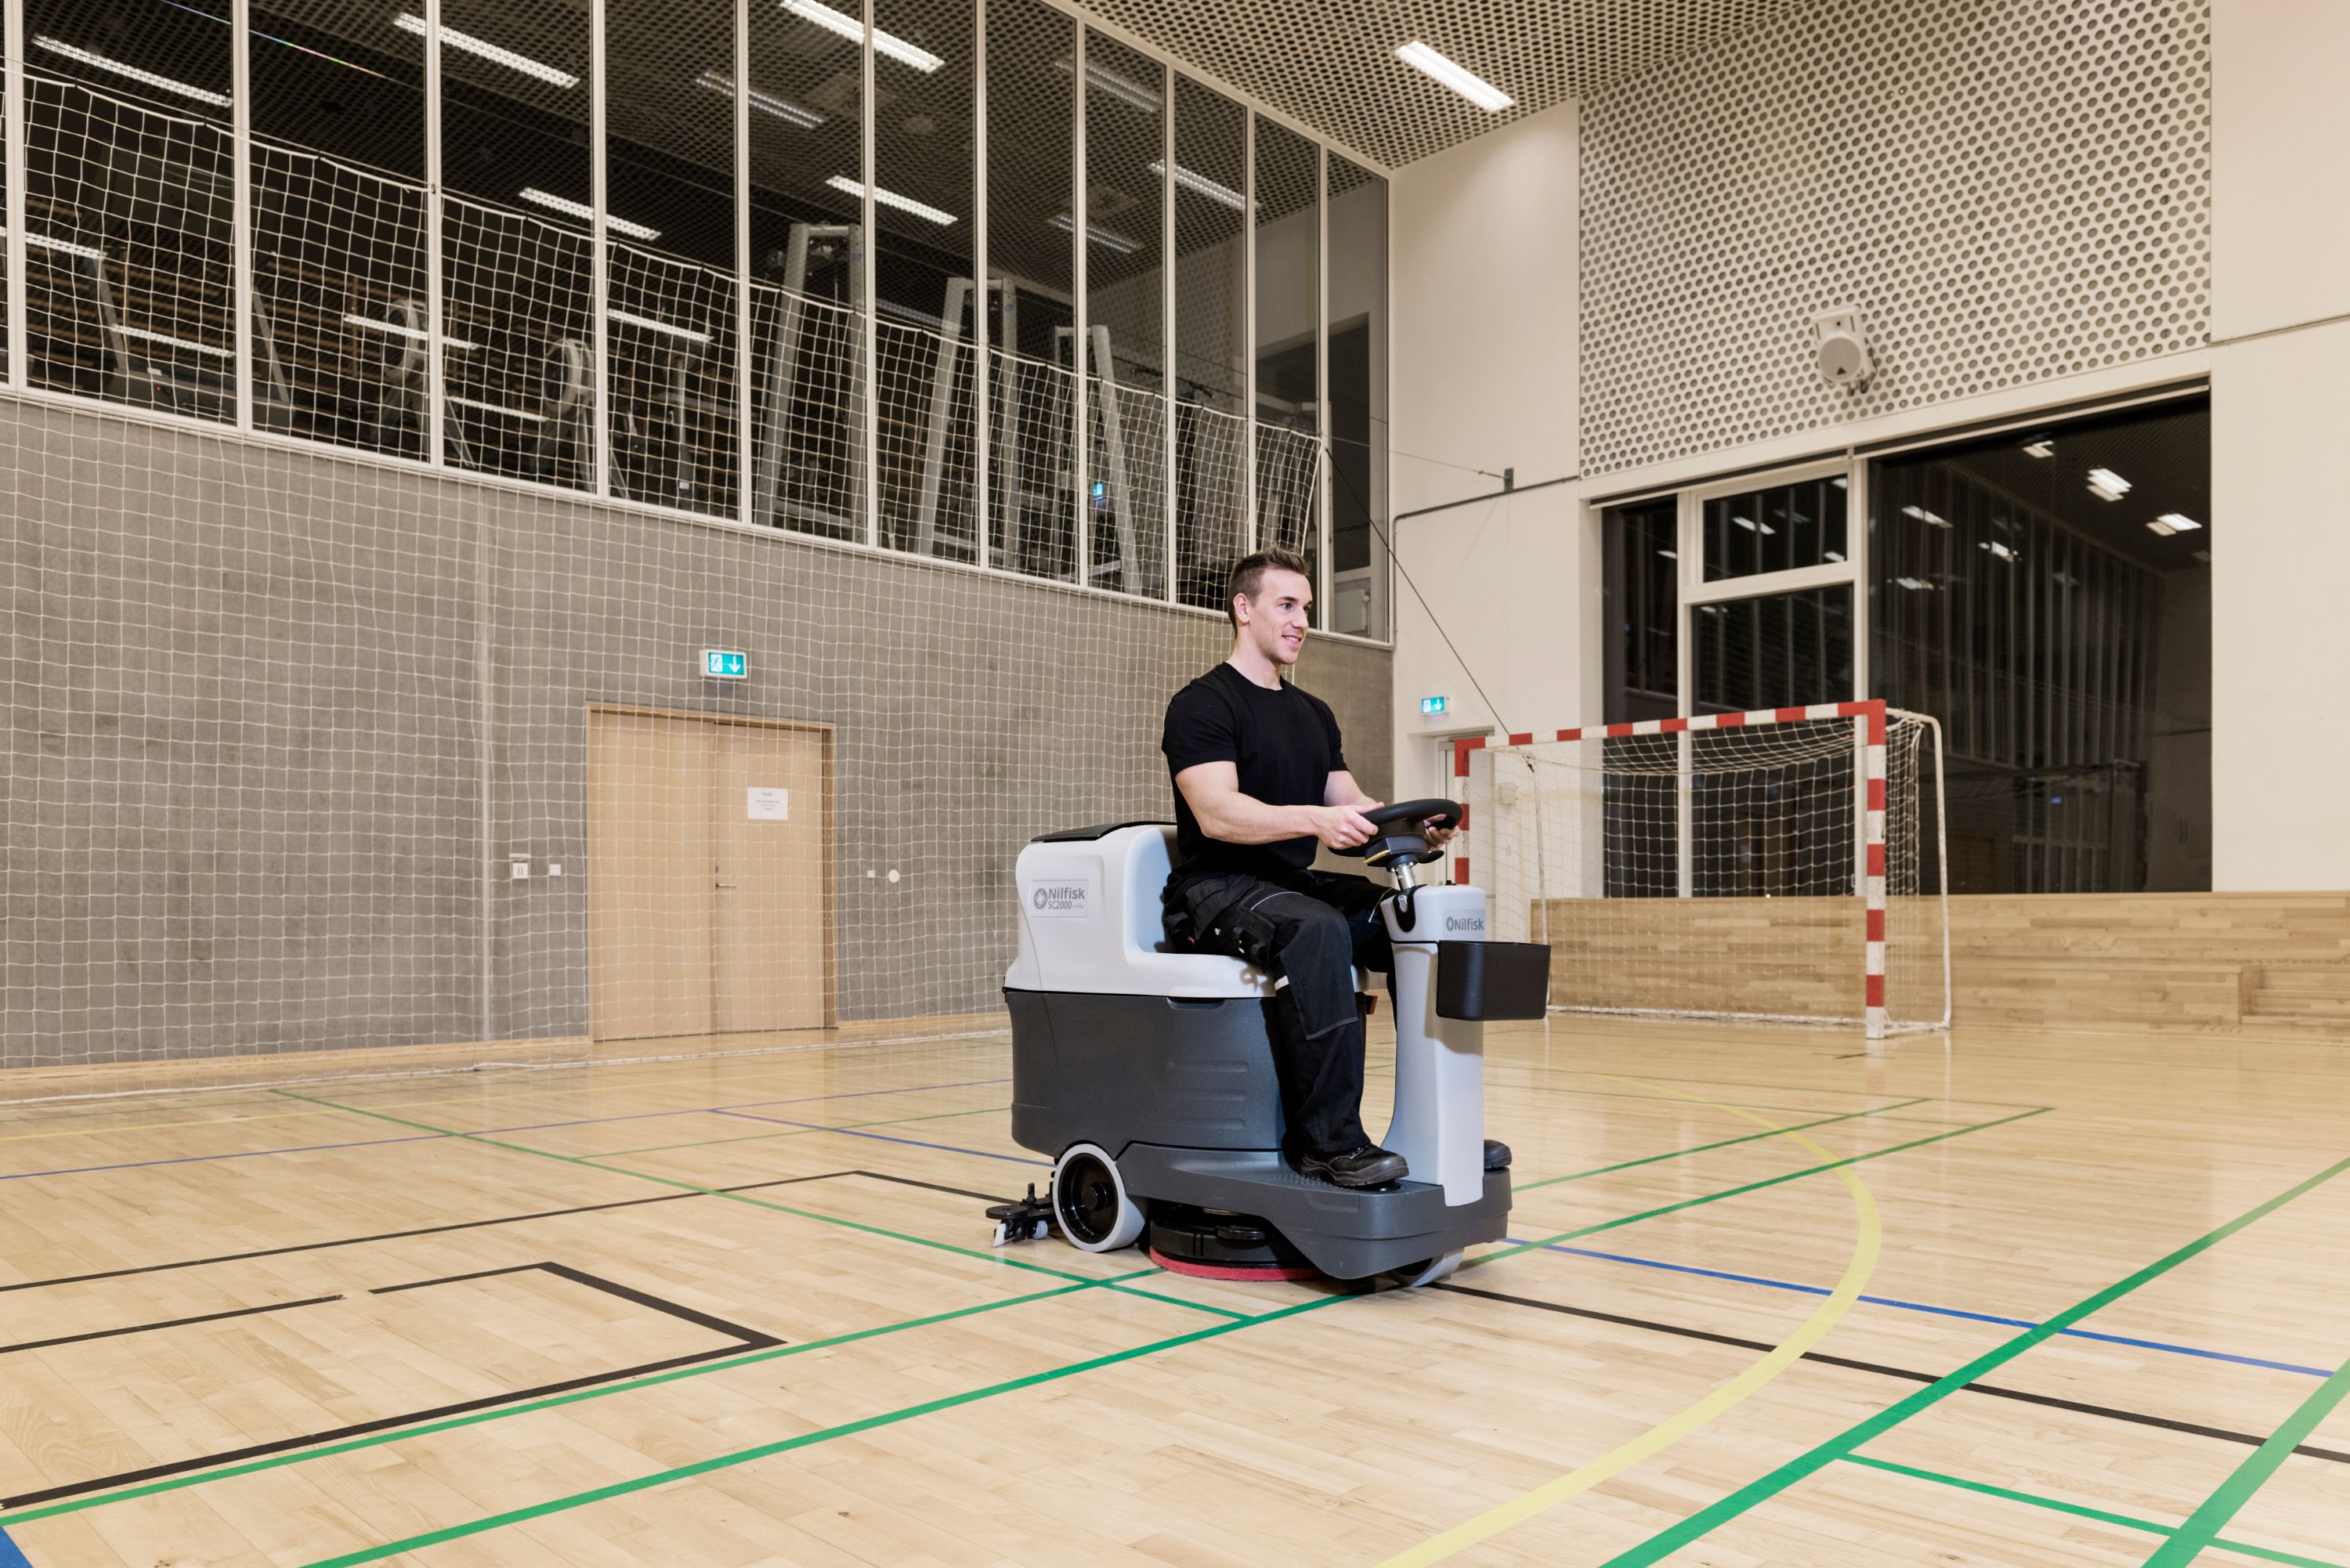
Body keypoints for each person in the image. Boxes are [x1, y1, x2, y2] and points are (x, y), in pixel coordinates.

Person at [1159, 547, 1459, 1189]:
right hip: (1218, 888)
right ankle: (1328, 1144)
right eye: (1287, 606)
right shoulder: (1203, 705)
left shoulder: (1314, 714)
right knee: (1317, 927)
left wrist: (1412, 833)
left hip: (1289, 886)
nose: (1301, 622)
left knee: (1414, 921)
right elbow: (1217, 814)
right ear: (1244, 609)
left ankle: (1439, 1119)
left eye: (1307, 610)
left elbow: (1351, 813)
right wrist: (1315, 821)